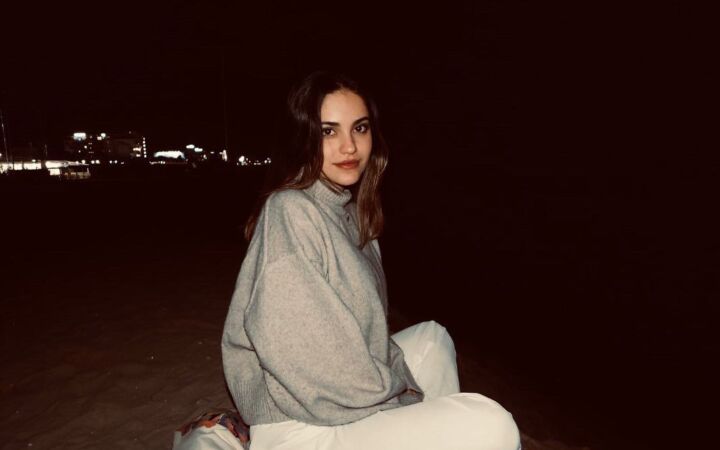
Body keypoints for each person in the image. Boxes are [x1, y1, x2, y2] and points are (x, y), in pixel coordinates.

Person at [181, 72, 521, 450]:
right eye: (329, 131)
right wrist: (397, 393)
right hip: (300, 426)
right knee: (493, 424)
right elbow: (306, 360)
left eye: (359, 128)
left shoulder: (353, 217)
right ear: (304, 138)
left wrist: (396, 387)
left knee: (432, 338)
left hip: (334, 397)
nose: (349, 146)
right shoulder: (290, 210)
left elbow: (364, 336)